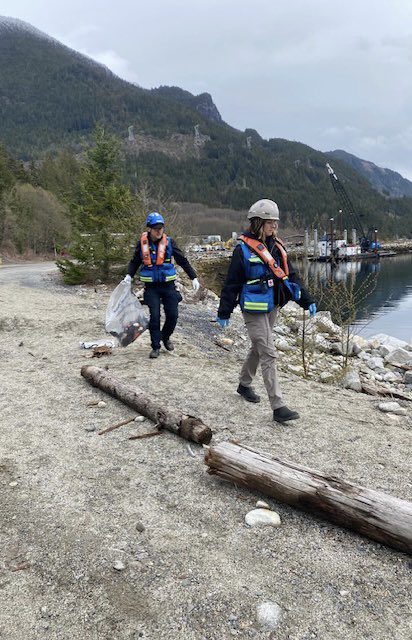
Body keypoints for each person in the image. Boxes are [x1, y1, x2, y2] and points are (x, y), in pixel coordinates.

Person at [217, 199, 316, 423]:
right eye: (270, 223)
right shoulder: (242, 250)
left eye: (276, 223)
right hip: (253, 308)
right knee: (268, 352)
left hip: (273, 305)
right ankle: (278, 407)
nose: (274, 227)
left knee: (258, 347)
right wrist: (224, 312)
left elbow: (291, 276)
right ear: (258, 222)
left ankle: (244, 384)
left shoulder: (277, 246)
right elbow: (232, 283)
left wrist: (307, 299)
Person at [124, 212, 200, 358]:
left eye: (161, 228)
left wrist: (193, 277)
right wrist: (129, 275)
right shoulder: (142, 244)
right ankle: (155, 346)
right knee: (154, 317)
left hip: (168, 286)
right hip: (151, 288)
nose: (159, 231)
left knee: (173, 315)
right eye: (156, 228)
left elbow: (182, 260)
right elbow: (135, 261)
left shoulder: (170, 243)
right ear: (150, 229)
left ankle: (165, 337)